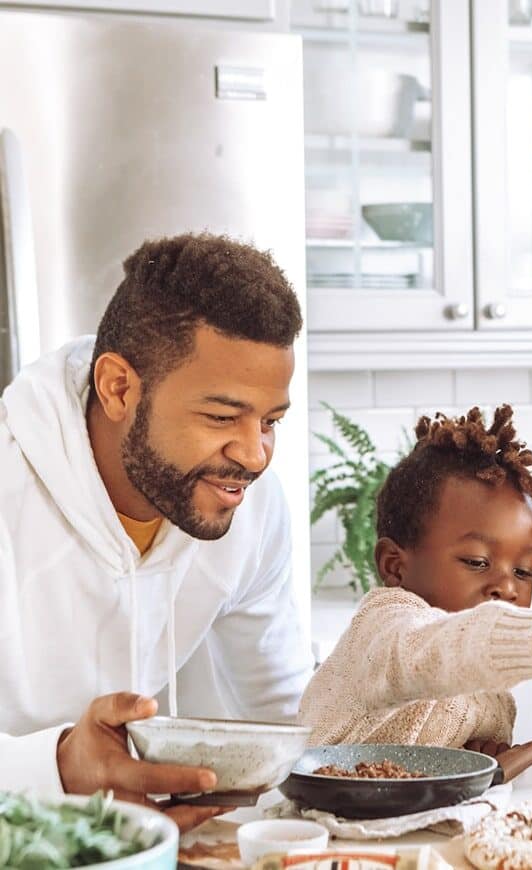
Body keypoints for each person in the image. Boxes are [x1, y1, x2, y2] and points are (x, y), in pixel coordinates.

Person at [0, 233, 314, 829]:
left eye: (270, 420)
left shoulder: (247, 505)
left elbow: (285, 713)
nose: (254, 455)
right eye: (221, 416)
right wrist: (57, 765)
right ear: (119, 388)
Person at [299, 405, 532, 754]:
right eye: (477, 561)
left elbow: (446, 762)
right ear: (395, 566)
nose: (508, 588)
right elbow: (432, 653)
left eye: (523, 571)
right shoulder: (384, 628)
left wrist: (480, 756)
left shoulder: (492, 689)